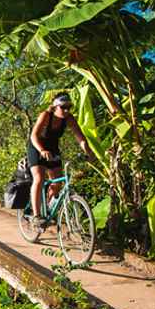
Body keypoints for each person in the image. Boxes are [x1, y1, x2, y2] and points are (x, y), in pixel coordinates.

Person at [27, 93, 92, 225]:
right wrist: (41, 150)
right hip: (37, 147)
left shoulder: (69, 119)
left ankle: (48, 209)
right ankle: (36, 216)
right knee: (39, 178)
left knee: (57, 183)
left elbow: (80, 138)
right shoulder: (45, 115)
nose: (67, 110)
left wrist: (88, 152)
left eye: (69, 107)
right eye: (63, 107)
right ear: (55, 106)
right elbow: (33, 135)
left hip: (52, 149)